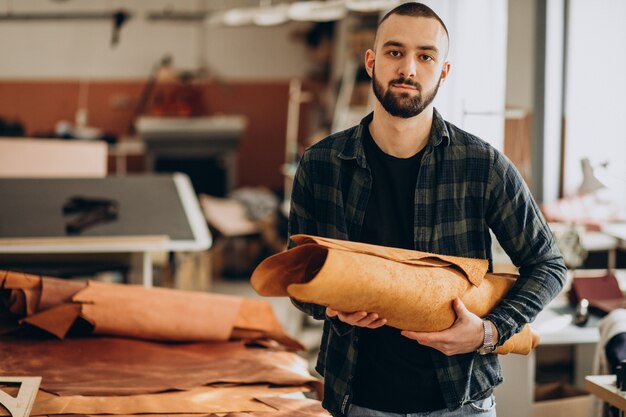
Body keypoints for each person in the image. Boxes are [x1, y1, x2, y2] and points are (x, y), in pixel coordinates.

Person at [287, 2, 566, 417]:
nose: (409, 69)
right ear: (371, 61)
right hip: (357, 397)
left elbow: (548, 264)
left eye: (425, 56)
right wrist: (329, 305)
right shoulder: (322, 164)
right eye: (395, 52)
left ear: (444, 71)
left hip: (461, 401)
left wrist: (488, 332)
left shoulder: (482, 165)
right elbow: (298, 278)